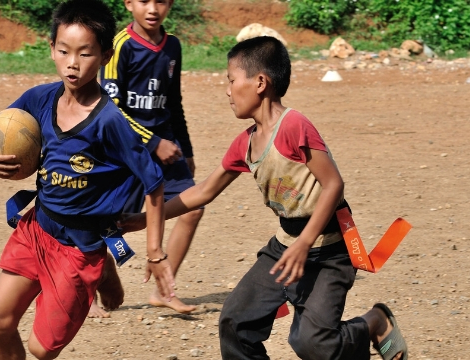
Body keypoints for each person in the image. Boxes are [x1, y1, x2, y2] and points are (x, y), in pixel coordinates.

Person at [121, 36, 408, 360]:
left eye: (232, 80)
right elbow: (203, 192)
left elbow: (333, 185)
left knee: (312, 343)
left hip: (329, 249)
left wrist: (305, 244)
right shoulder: (245, 143)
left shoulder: (293, 126)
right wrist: (143, 220)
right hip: (285, 245)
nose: (228, 90)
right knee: (235, 322)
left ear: (260, 82)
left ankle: (373, 321)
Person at [0, 1, 176, 358]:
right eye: (64, 51)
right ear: (51, 48)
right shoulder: (39, 98)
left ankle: (104, 267)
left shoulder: (109, 121)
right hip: (37, 228)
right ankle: (104, 267)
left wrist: (155, 251)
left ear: (105, 55)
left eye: (85, 53)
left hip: (79, 250)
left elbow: (154, 182)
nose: (72, 63)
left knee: (41, 349)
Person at [92, 0, 202, 316]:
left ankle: (165, 291)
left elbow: (175, 102)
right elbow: (109, 108)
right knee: (107, 223)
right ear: (128, 3)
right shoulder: (118, 45)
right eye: (144, 1)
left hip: (167, 145)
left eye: (162, 1)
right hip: (125, 147)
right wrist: (153, 142)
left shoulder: (174, 47)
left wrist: (187, 148)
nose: (153, 8)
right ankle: (86, 291)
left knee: (194, 208)